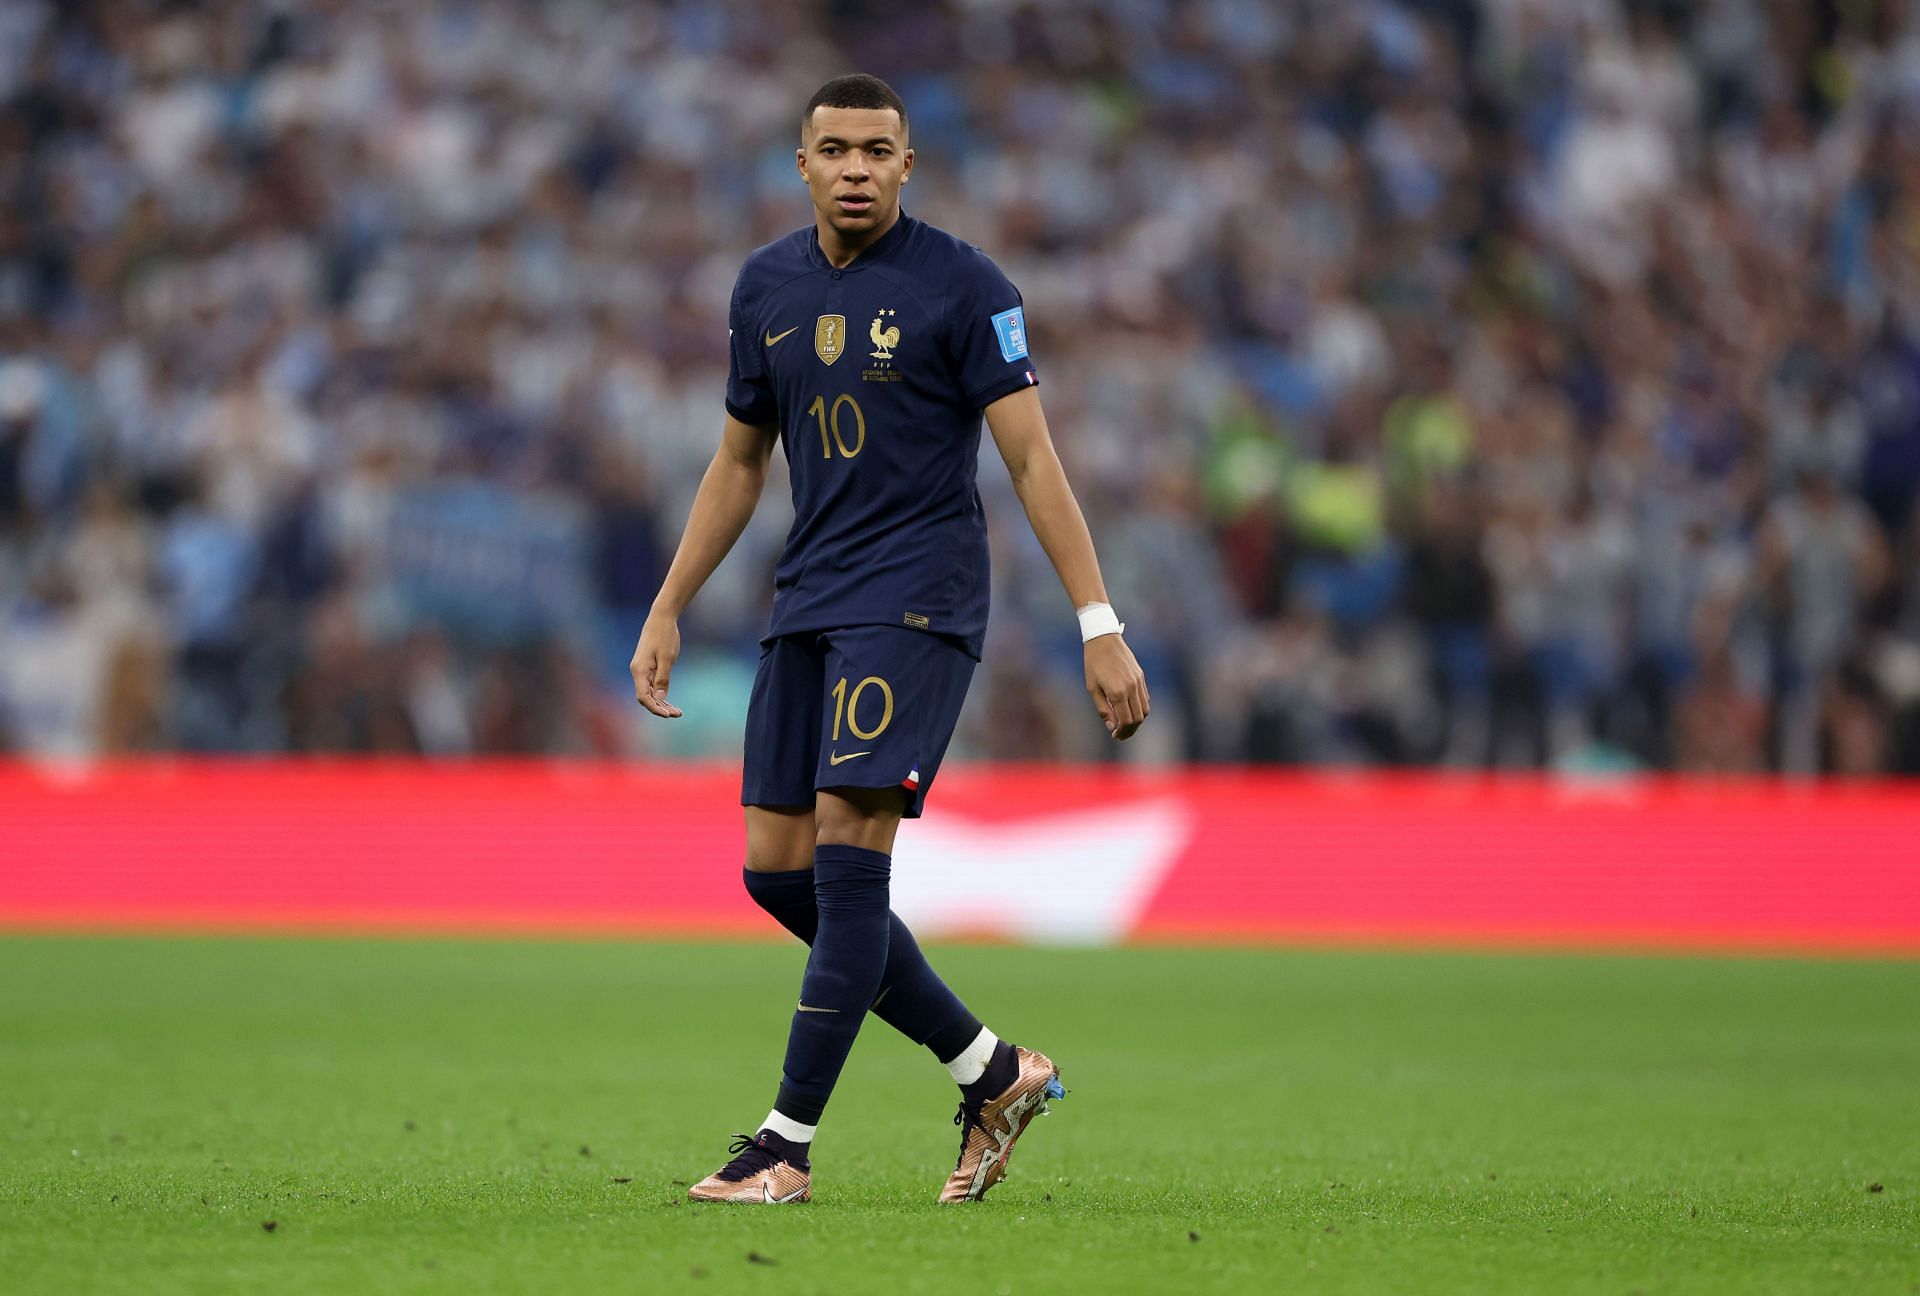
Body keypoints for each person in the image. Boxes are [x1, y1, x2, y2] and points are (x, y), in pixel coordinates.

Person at [629, 73, 1149, 1204]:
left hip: (916, 600)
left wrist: (1097, 623)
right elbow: (737, 462)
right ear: (800, 163)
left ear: (909, 165)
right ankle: (994, 1070)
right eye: (835, 149)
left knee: (852, 863)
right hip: (808, 597)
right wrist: (669, 602)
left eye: (878, 150)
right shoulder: (764, 287)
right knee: (778, 873)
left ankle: (784, 1146)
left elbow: (1029, 460)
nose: (856, 168)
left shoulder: (966, 288)